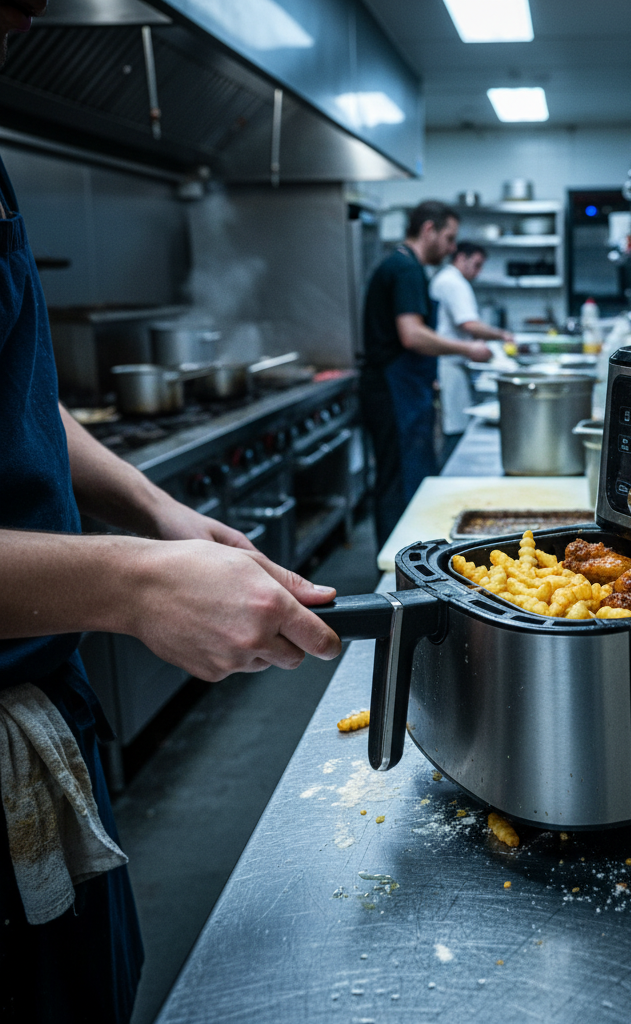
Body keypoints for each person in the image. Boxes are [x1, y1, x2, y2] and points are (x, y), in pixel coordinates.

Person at [0, 7, 343, 1021]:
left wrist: (154, 509)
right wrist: (134, 583)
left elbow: (17, 391)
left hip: (44, 706)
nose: (31, 13)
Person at [360, 202, 492, 549]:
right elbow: (412, 335)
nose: (451, 248)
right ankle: (398, 563)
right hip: (394, 392)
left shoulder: (400, 265)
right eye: (449, 238)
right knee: (400, 481)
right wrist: (468, 348)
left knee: (401, 477)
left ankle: (402, 558)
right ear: (428, 229)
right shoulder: (406, 269)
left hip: (400, 387)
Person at [430, 241, 514, 457]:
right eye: (476, 265)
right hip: (449, 365)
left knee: (453, 424)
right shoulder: (453, 282)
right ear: (461, 258)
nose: (478, 272)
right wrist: (502, 335)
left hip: (448, 363)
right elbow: (469, 324)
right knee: (455, 428)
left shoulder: (446, 279)